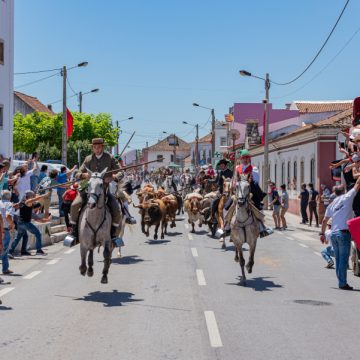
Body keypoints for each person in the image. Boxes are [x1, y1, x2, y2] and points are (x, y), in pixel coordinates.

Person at [69, 138, 122, 243]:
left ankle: (113, 235)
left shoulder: (110, 158)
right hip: (89, 189)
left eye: (99, 147)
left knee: (117, 210)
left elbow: (121, 172)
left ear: (103, 147)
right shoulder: (88, 159)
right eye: (95, 147)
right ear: (92, 148)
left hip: (104, 190)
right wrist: (83, 175)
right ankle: (74, 232)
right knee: (75, 204)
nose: (97, 149)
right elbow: (77, 173)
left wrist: (113, 178)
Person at [320, 176, 360, 290]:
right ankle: (342, 283)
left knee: (338, 259)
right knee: (343, 260)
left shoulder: (332, 204)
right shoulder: (347, 197)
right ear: (343, 191)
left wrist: (322, 234)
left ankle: (341, 282)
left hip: (333, 234)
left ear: (334, 192)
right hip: (343, 233)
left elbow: (324, 220)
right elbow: (358, 183)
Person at [9, 191, 49, 257]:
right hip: (25, 223)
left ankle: (15, 251)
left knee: (21, 237)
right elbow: (34, 200)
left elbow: (15, 206)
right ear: (30, 196)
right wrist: (44, 195)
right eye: (32, 195)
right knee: (37, 233)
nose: (33, 197)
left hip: (20, 223)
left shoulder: (22, 202)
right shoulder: (27, 202)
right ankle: (38, 250)